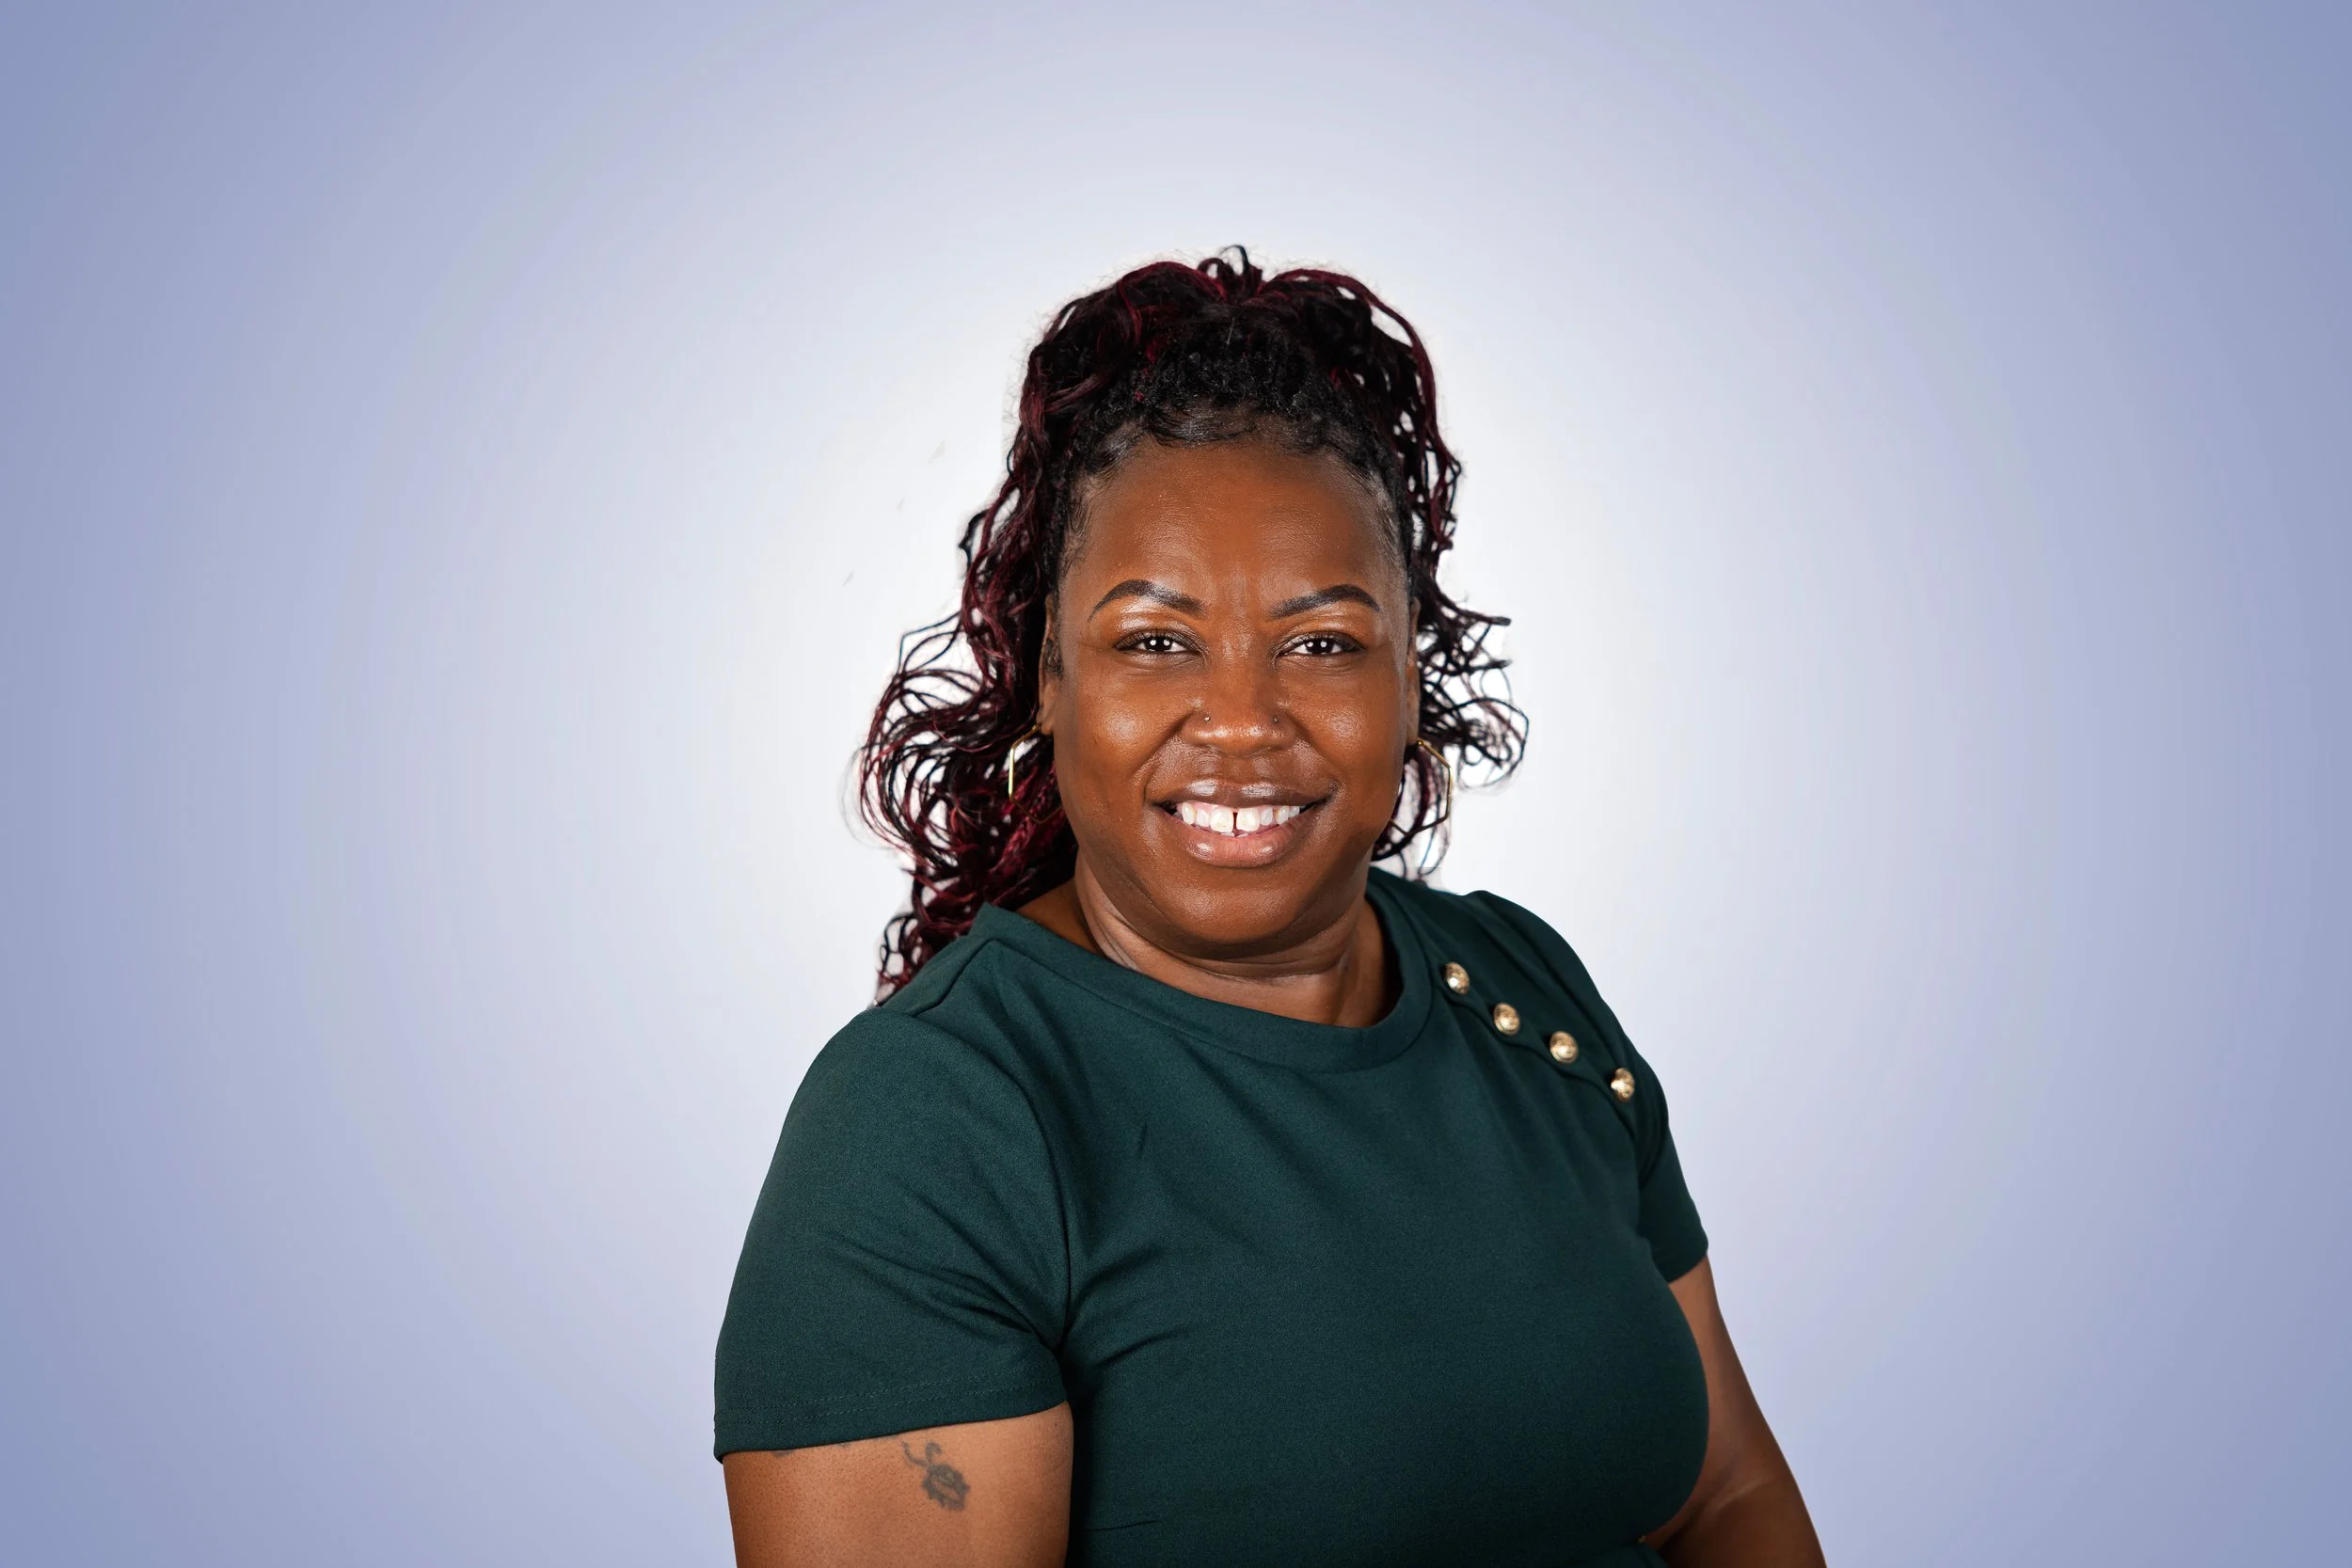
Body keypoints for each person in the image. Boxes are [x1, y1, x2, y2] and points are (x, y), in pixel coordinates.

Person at [715, 251, 1824, 1567]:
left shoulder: (1522, 988)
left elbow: (1723, 1495)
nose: (1242, 721)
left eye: (1322, 643)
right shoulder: (933, 1125)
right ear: (1051, 678)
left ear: (1411, 682)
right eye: (1156, 641)